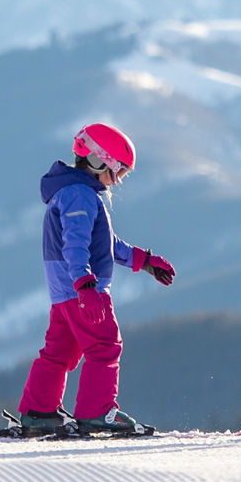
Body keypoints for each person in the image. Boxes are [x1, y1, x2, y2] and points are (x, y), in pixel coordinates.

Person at [16, 123, 176, 435]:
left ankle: (39, 411)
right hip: (83, 291)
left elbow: (106, 244)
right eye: (117, 172)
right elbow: (75, 246)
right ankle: (96, 412)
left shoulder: (73, 192)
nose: (116, 182)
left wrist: (144, 261)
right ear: (98, 161)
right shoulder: (80, 196)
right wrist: (86, 286)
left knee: (59, 352)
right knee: (104, 345)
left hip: (64, 294)